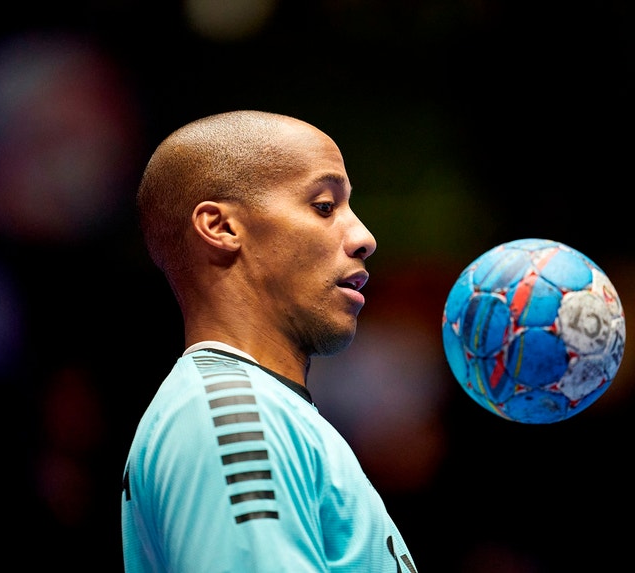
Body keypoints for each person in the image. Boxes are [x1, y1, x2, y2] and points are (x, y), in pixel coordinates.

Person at [121, 110, 419, 572]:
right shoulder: (233, 413)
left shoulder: (260, 410)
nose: (365, 238)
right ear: (221, 228)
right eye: (324, 206)